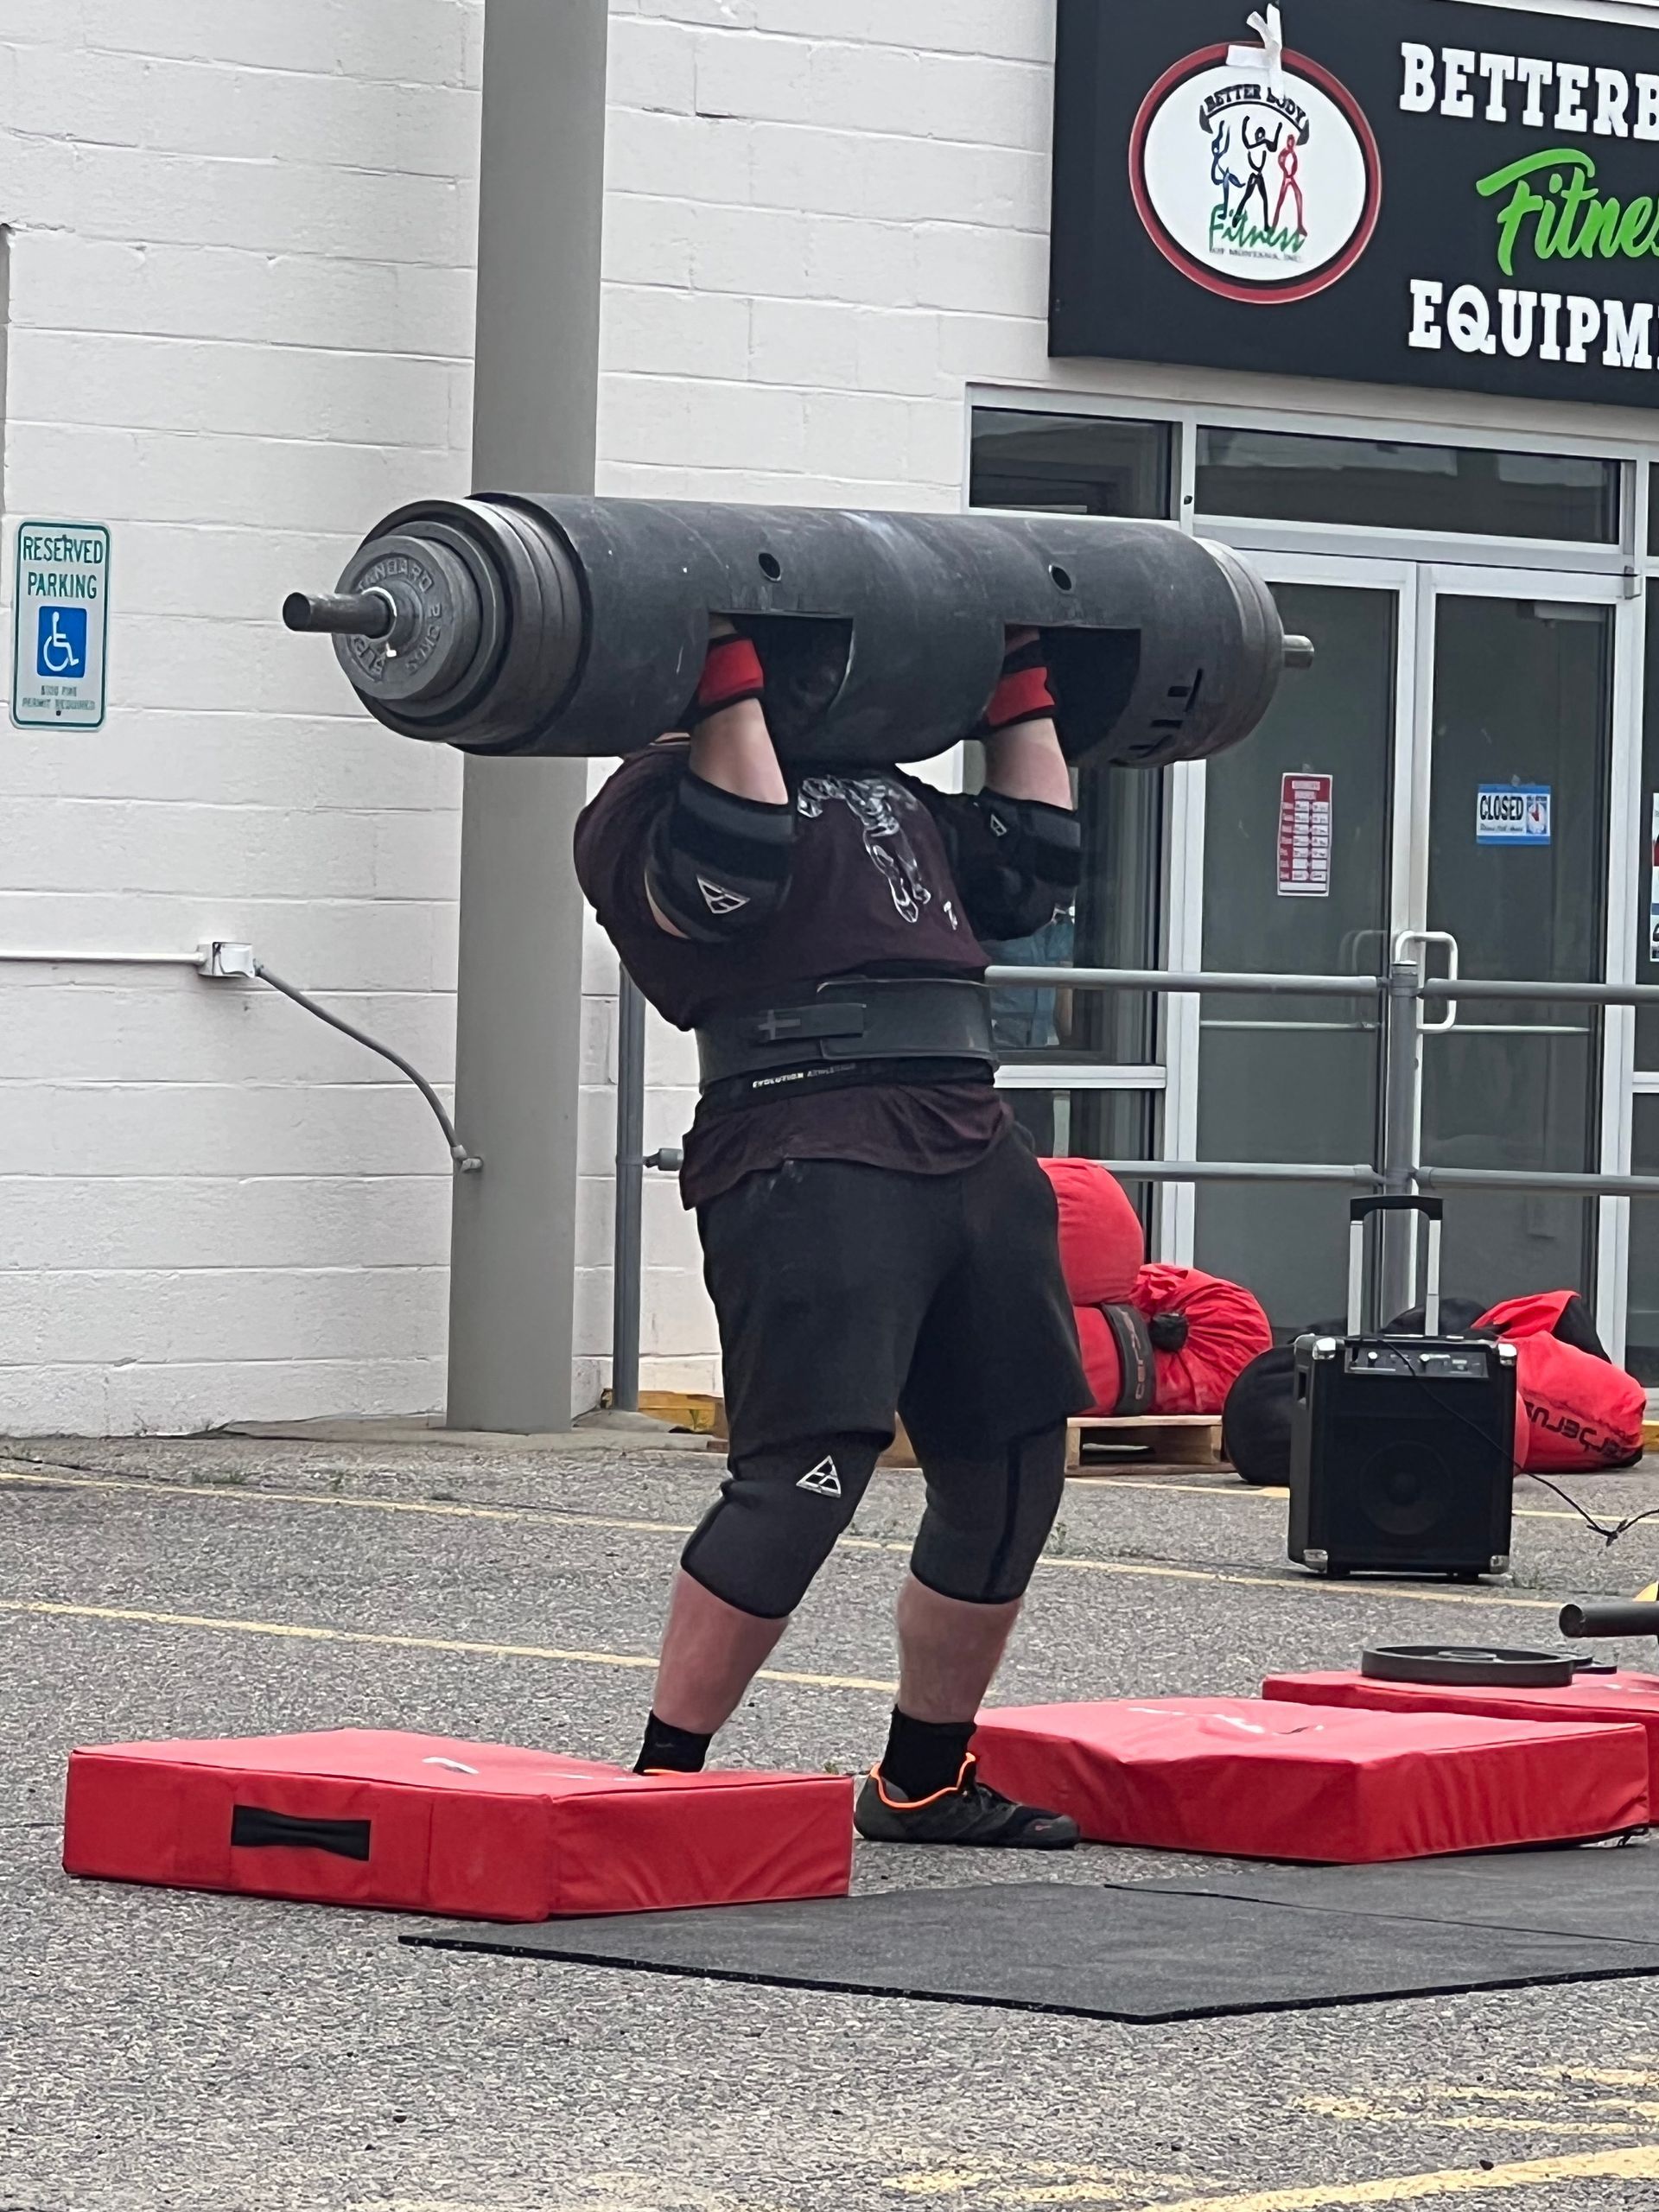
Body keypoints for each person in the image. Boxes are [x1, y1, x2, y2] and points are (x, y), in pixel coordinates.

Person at [573, 617, 1090, 1847]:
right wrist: (722, 668)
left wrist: (1019, 689)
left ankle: (921, 1781)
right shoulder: (636, 812)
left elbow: (1034, 868)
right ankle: (660, 1788)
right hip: (807, 1145)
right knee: (806, 1474)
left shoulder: (878, 789)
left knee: (1013, 1465)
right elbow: (737, 864)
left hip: (970, 1132)